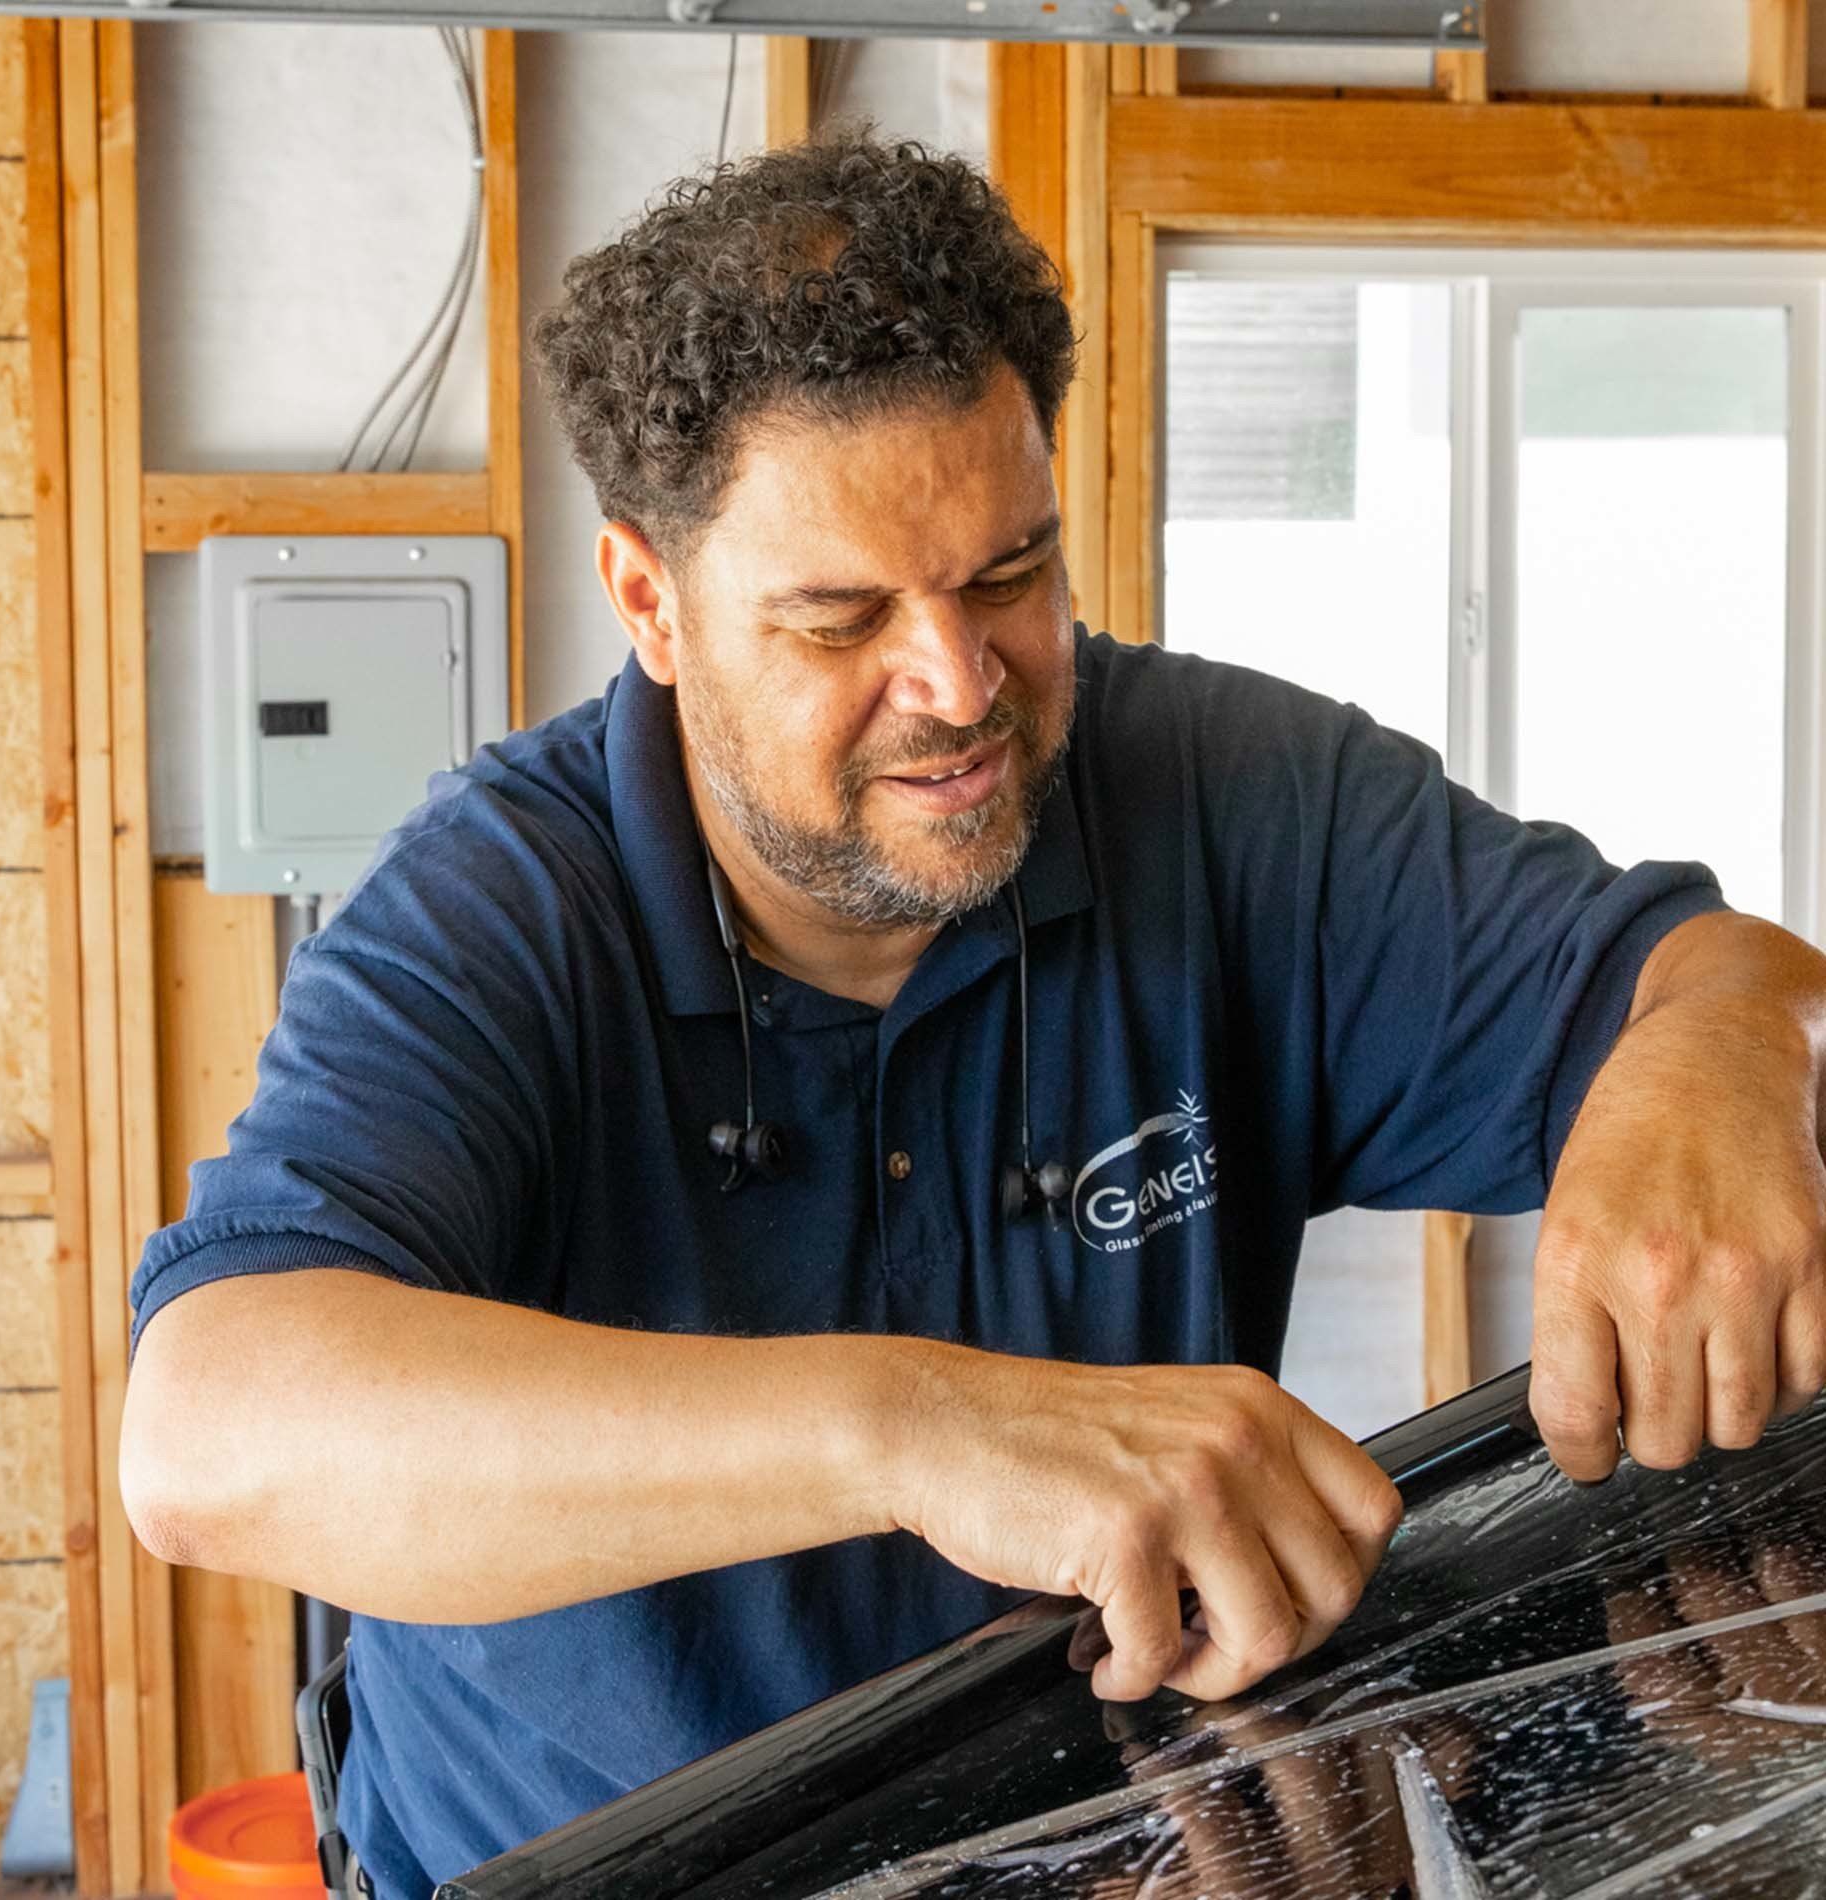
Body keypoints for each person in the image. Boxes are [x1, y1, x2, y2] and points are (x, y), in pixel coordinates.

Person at [119, 134, 1826, 1900]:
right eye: (841, 617)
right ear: (652, 601)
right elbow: (208, 1431)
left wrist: (1732, 1037)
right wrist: (919, 1427)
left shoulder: (1233, 797)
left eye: (1010, 575)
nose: (957, 689)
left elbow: (1712, 981)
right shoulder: (496, 910)